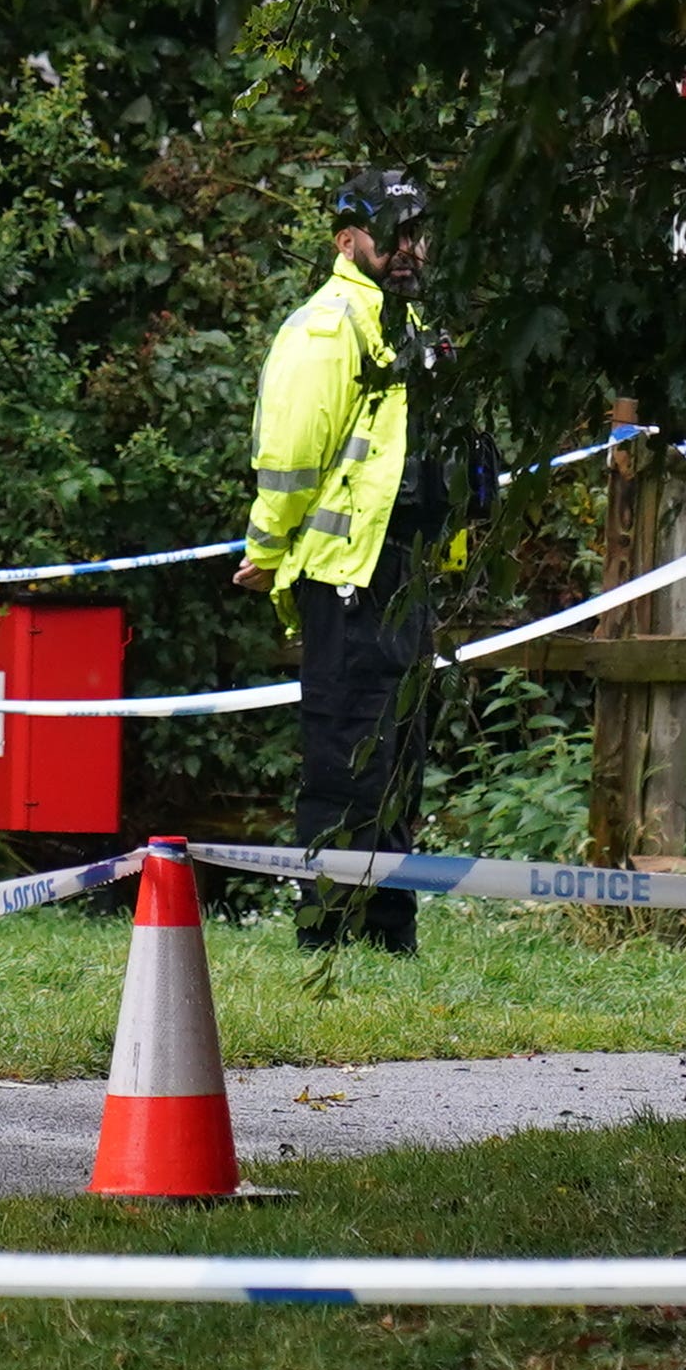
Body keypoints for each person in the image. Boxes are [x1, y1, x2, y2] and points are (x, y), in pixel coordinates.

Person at [240, 168, 444, 953]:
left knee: (399, 761)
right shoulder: (327, 327)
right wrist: (265, 550)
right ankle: (325, 935)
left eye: (416, 232)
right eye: (391, 233)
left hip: (406, 573)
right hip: (348, 576)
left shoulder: (412, 323)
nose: (406, 248)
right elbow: (288, 456)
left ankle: (392, 938)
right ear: (346, 240)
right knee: (345, 757)